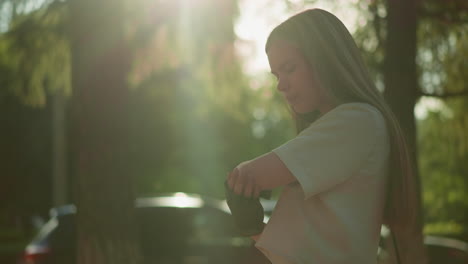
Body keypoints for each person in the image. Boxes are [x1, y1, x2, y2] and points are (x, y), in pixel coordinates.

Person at [225, 8, 426, 264]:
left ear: (324, 59)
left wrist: (240, 187)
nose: (280, 85)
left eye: (289, 68)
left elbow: (247, 175)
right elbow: (304, 248)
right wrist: (253, 227)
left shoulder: (355, 121)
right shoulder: (355, 124)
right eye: (276, 74)